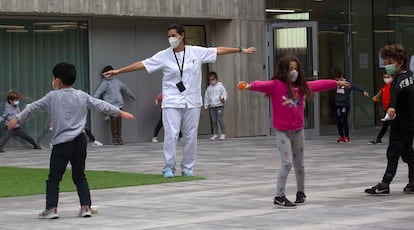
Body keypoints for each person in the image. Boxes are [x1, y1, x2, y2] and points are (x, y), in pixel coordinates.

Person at [103, 23, 256, 178]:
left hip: (192, 100)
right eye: (169, 36)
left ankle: (188, 168)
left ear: (182, 36)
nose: (171, 39)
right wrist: (119, 71)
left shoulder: (196, 52)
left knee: (190, 135)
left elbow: (218, 50)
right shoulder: (164, 55)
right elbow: (143, 64)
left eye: (174, 35)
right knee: (171, 134)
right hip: (171, 100)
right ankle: (169, 167)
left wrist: (241, 50)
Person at [8, 62, 135, 219]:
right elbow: (100, 104)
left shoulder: (51, 97)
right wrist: (121, 113)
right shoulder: (81, 95)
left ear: (58, 81)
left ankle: (51, 209)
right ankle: (86, 207)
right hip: (80, 140)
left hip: (62, 143)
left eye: (53, 78)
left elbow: (32, 108)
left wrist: (16, 118)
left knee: (54, 177)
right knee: (79, 175)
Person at [238, 53, 350, 208]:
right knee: (287, 163)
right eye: (290, 69)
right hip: (282, 132)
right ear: (284, 70)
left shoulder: (302, 87)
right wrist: (249, 86)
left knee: (299, 164)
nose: (293, 72)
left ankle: (300, 192)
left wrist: (336, 83)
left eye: (295, 69)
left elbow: (318, 84)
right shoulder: (276, 85)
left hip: (298, 131)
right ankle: (279, 195)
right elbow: (261, 84)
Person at [365, 44, 414, 195]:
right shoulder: (410, 76)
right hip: (410, 122)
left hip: (400, 123)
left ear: (399, 62)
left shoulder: (398, 79)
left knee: (393, 151)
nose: (387, 67)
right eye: (385, 63)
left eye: (389, 63)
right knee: (407, 153)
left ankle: (385, 183)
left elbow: (395, 94)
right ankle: (413, 181)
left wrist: (391, 108)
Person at [94, 65, 136, 145]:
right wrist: (92, 100)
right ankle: (115, 138)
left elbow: (125, 88)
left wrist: (131, 96)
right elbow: (98, 92)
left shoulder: (117, 81)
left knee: (119, 121)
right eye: (105, 74)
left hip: (119, 105)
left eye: (108, 73)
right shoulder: (104, 83)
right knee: (113, 121)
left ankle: (119, 137)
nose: (107, 75)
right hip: (111, 105)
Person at [331, 67, 369, 143]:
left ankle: (347, 136)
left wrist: (363, 91)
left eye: (338, 79)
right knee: (338, 120)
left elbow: (355, 87)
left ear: (341, 76)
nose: (337, 81)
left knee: (343, 119)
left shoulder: (347, 83)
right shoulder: (335, 83)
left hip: (344, 105)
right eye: (336, 79)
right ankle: (341, 136)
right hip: (338, 105)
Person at [369, 74, 392, 144]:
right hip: (386, 109)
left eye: (388, 77)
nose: (386, 79)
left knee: (389, 125)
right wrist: (375, 97)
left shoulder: (393, 86)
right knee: (386, 125)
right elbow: (379, 93)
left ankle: (379, 138)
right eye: (384, 77)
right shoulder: (384, 87)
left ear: (392, 78)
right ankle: (379, 139)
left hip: (391, 108)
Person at [204, 71, 228, 141]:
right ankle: (215, 134)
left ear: (216, 79)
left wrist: (223, 98)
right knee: (214, 120)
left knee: (220, 119)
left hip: (220, 105)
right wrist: (206, 106)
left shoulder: (220, 86)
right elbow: (206, 97)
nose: (212, 81)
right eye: (210, 80)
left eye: (213, 79)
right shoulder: (208, 88)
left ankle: (223, 134)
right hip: (212, 106)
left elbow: (225, 93)